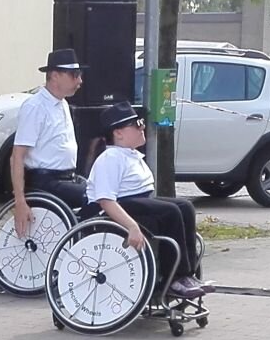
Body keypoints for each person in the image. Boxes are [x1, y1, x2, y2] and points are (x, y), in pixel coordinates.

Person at [85, 102, 213, 298]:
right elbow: (106, 201)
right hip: (115, 210)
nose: (142, 127)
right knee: (170, 212)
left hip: (136, 202)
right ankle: (175, 279)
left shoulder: (130, 155)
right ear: (118, 133)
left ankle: (188, 274)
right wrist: (132, 226)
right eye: (137, 124)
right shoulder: (110, 158)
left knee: (185, 206)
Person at [10, 48, 86, 238]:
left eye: (80, 75)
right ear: (54, 75)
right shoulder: (35, 107)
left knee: (104, 191)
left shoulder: (63, 104)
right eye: (74, 75)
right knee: (94, 197)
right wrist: (19, 201)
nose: (79, 81)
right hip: (45, 181)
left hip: (66, 177)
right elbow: (17, 156)